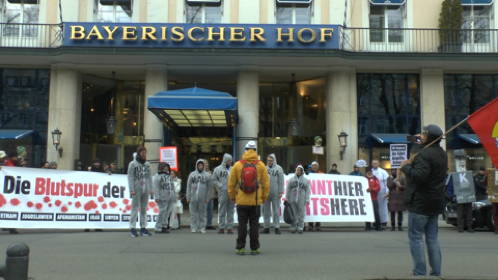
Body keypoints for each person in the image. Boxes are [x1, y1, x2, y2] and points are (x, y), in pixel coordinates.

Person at [401, 124, 447, 277]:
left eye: (424, 133)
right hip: (435, 201)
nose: (421, 135)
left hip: (421, 202)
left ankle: (420, 272)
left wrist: (405, 167)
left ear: (429, 137)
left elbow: (419, 176)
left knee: (416, 238)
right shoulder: (442, 153)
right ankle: (436, 272)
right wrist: (417, 143)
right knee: (432, 239)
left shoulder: (424, 154)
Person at [228, 141, 269, 255]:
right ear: (256, 150)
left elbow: (231, 184)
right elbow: (266, 184)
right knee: (254, 226)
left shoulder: (238, 165)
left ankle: (240, 247)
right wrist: (263, 198)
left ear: (245, 150)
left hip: (241, 201)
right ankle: (254, 248)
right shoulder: (260, 165)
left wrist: (232, 196)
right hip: (255, 202)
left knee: (242, 225)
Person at [127, 147, 153, 238]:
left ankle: (143, 228)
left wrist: (151, 188)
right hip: (136, 188)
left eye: (145, 152)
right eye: (142, 152)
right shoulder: (132, 164)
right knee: (135, 208)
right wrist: (131, 189)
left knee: (144, 209)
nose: (144, 154)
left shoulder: (147, 164)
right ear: (138, 153)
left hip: (145, 189)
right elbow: (130, 177)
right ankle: (132, 228)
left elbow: (150, 177)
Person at [186, 159, 211, 234]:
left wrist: (207, 198)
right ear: (197, 165)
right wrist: (188, 197)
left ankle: (202, 227)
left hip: (203, 198)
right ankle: (193, 227)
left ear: (203, 166)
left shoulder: (207, 175)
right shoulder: (192, 174)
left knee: (202, 213)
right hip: (193, 197)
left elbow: (209, 188)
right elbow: (188, 186)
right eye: (199, 165)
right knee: (193, 213)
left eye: (201, 165)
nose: (200, 166)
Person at [262, 153, 285, 235]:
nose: (269, 162)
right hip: (266, 193)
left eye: (271, 160)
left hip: (276, 192)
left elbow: (281, 181)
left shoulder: (279, 169)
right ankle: (266, 227)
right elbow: (262, 181)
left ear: (274, 160)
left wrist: (281, 191)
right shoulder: (264, 168)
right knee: (266, 211)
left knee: (276, 211)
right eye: (268, 160)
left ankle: (277, 227)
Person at [212, 153, 234, 234]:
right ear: (225, 160)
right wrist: (220, 186)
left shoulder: (233, 169)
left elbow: (236, 179)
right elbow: (214, 179)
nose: (230, 162)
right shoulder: (217, 169)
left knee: (231, 210)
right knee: (222, 210)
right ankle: (221, 227)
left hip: (231, 192)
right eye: (229, 160)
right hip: (222, 192)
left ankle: (230, 227)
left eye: (231, 160)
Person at [286, 165, 310, 234]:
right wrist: (287, 197)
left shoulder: (305, 180)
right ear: (295, 170)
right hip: (292, 198)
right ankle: (293, 226)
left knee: (301, 213)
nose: (298, 171)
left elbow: (308, 190)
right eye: (297, 170)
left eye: (300, 170)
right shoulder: (291, 179)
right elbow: (288, 189)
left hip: (302, 198)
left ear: (302, 171)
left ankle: (300, 227)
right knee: (293, 213)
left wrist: (307, 199)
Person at [153, 162, 176, 234]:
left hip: (170, 197)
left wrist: (174, 196)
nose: (166, 168)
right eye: (164, 167)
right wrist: (157, 196)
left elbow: (172, 186)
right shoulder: (157, 176)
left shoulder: (169, 176)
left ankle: (164, 226)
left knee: (167, 212)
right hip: (162, 196)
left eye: (167, 167)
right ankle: (158, 227)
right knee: (162, 212)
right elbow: (156, 187)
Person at [371, 160, 389, 229]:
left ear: (378, 164)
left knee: (383, 207)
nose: (374, 164)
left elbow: (386, 182)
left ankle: (384, 222)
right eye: (373, 163)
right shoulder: (370, 172)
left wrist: (387, 191)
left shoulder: (383, 172)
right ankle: (375, 222)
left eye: (376, 163)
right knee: (374, 208)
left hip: (382, 192)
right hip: (373, 193)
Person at [307, 161, 322, 231]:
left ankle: (318, 225)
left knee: (318, 210)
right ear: (311, 167)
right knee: (311, 210)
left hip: (319, 194)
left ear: (318, 167)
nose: (315, 167)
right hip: (310, 194)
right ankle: (310, 224)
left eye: (316, 166)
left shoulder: (321, 174)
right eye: (313, 166)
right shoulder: (308, 174)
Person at [203, 159, 216, 230]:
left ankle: (209, 224)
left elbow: (213, 183)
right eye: (204, 164)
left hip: (210, 194)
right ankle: (203, 223)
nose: (206, 165)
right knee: (203, 210)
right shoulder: (200, 173)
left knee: (210, 210)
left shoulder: (211, 172)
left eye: (207, 164)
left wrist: (214, 193)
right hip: (203, 194)